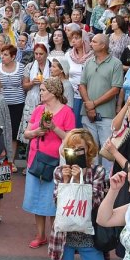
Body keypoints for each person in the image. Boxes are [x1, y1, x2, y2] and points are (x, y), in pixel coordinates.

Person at [49, 129, 112, 260]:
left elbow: (95, 201)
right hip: (64, 237)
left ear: (89, 151)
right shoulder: (60, 171)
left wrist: (80, 178)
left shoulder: (98, 171)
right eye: (72, 149)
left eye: (80, 149)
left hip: (89, 236)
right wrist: (67, 179)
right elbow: (56, 201)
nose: (76, 153)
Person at [22, 77, 75, 247]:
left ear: (53, 92)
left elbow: (70, 138)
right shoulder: (39, 110)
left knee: (53, 200)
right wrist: (37, 131)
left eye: (43, 90)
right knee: (37, 199)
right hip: (35, 160)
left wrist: (53, 127)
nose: (41, 92)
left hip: (56, 164)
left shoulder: (67, 112)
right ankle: (40, 235)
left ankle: (55, 234)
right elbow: (26, 133)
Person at [79, 33, 125, 168]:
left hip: (106, 114)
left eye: (94, 41)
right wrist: (89, 106)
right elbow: (82, 85)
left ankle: (106, 181)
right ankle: (91, 178)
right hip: (87, 113)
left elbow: (115, 89)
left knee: (106, 148)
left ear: (103, 45)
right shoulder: (88, 62)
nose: (91, 43)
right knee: (89, 147)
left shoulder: (116, 63)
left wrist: (93, 104)